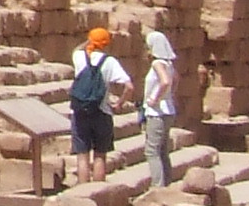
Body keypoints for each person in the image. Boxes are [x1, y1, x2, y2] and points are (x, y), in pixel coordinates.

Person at [65, 26, 132, 187]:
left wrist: (88, 41)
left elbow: (76, 49)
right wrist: (119, 103)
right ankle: (97, 192)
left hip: (80, 112)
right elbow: (129, 87)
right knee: (100, 156)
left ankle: (82, 191)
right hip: (102, 112)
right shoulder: (109, 61)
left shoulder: (79, 57)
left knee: (82, 156)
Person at [140, 30, 179, 188]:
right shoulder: (169, 64)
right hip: (168, 110)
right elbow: (175, 80)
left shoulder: (157, 63)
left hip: (157, 112)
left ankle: (157, 186)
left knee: (152, 151)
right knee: (162, 150)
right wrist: (169, 96)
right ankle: (166, 183)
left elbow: (165, 81)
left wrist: (155, 98)